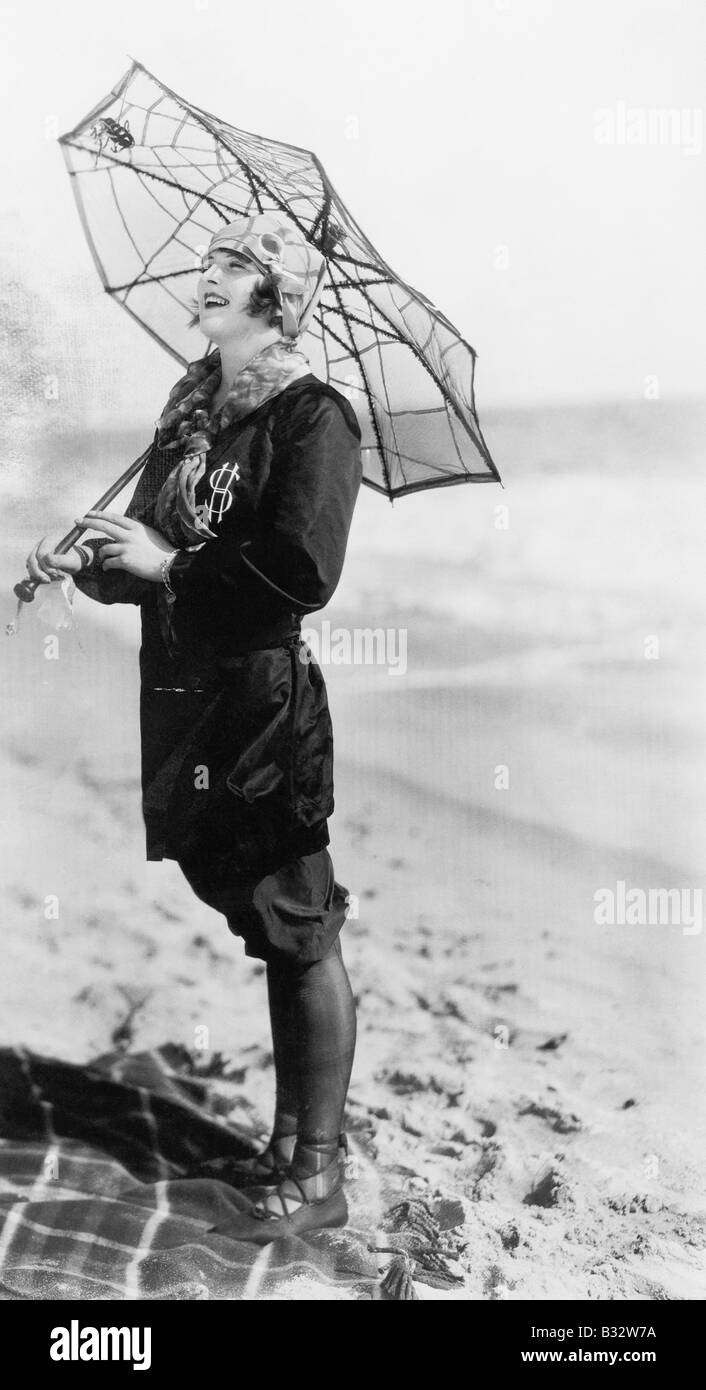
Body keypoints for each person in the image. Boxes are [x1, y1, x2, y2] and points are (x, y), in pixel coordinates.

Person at [26, 212, 362, 1242]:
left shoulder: (313, 417)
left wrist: (167, 566)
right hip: (190, 706)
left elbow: (299, 573)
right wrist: (92, 564)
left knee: (301, 929)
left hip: (263, 710)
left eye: (231, 266)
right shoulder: (196, 411)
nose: (204, 277)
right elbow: (160, 563)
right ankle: (281, 1145)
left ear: (274, 295)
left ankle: (318, 1168)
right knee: (268, 929)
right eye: (208, 262)